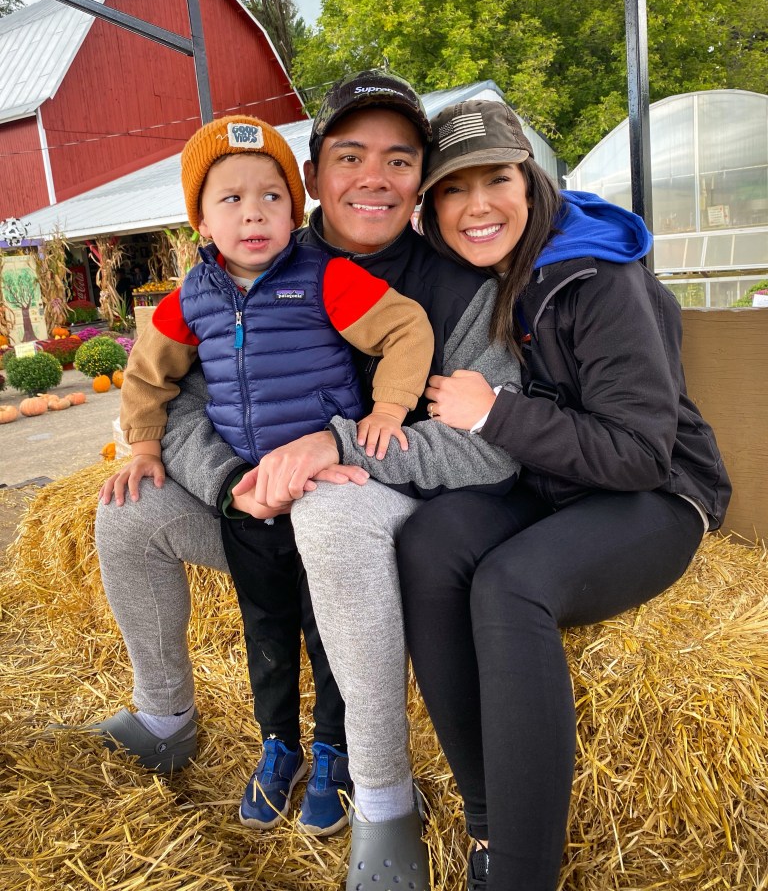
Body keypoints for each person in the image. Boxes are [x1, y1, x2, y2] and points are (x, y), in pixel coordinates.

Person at [91, 71, 520, 874]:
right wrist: (226, 481)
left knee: (328, 511)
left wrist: (340, 446)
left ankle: (383, 796)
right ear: (316, 175)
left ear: (420, 179)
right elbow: (177, 397)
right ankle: (165, 717)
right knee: (126, 511)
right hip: (262, 509)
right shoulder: (247, 261)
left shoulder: (458, 287)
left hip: (390, 520)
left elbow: (494, 446)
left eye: (399, 160)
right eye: (350, 155)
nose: (373, 178)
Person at [391, 99, 732, 891]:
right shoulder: (483, 278)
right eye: (453, 188)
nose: (477, 205)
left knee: (511, 586)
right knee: (430, 544)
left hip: (655, 495)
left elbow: (641, 451)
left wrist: (498, 413)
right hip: (546, 484)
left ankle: (522, 875)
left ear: (532, 181)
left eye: (497, 180)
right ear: (431, 207)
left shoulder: (600, 277)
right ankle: (489, 825)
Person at [114, 111, 434, 834]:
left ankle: (333, 749)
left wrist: (389, 407)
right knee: (266, 627)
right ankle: (278, 744)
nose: (253, 214)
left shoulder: (326, 277)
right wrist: (140, 447)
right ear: (200, 221)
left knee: (327, 631)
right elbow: (146, 378)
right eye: (231, 200)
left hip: (324, 496)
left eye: (272, 197)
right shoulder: (189, 300)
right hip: (249, 498)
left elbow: (407, 327)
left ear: (298, 209)